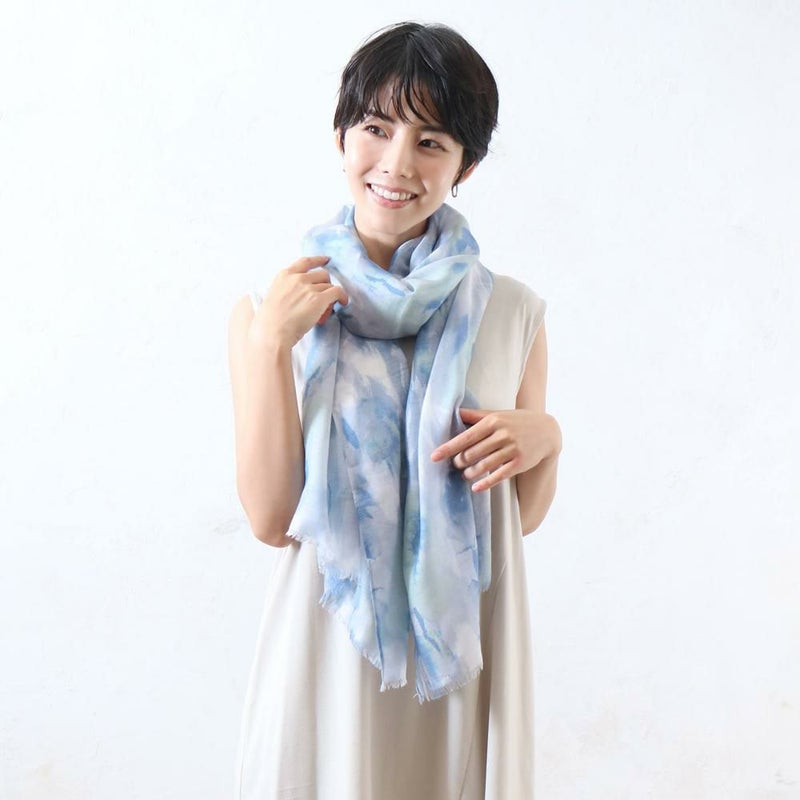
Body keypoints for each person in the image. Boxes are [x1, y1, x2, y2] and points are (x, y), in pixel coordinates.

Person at [227, 21, 562, 800]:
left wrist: (547, 438)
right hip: (327, 651)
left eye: (431, 141)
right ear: (341, 137)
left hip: (460, 667)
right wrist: (272, 345)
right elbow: (271, 518)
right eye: (377, 129)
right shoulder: (271, 310)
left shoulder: (511, 312)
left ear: (465, 166)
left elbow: (519, 521)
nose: (397, 163)